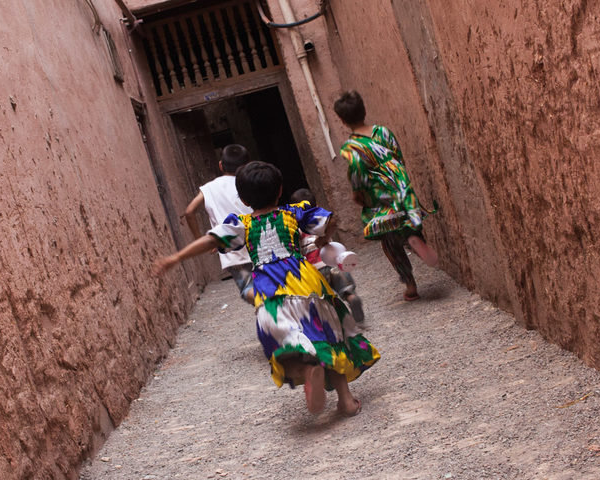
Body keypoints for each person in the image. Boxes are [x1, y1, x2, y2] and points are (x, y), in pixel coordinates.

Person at [153, 161, 379, 416]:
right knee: (331, 333)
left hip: (271, 289)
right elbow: (329, 220)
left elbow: (210, 240)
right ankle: (346, 400)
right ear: (280, 190)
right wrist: (324, 239)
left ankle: (307, 366)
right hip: (307, 280)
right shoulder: (294, 213)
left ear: (244, 200)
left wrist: (176, 258)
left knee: (286, 334)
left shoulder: (242, 224)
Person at [334, 90, 438, 301]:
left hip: (378, 196)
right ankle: (414, 237)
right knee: (407, 221)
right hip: (399, 184)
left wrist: (358, 194)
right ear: (364, 110)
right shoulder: (384, 131)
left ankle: (409, 284)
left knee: (389, 240)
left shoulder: (351, 147)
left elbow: (357, 173)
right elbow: (398, 156)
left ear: (343, 121)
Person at [183, 144, 254, 305]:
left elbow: (189, 211)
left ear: (221, 165)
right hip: (257, 243)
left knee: (247, 288)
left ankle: (264, 305)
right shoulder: (250, 182)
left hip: (232, 251)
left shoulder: (209, 188)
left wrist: (202, 241)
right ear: (247, 165)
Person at [289, 188, 365, 325]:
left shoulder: (296, 227)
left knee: (323, 297)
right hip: (334, 264)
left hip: (315, 270)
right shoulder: (322, 221)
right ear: (316, 205)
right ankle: (352, 298)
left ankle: (333, 318)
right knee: (345, 289)